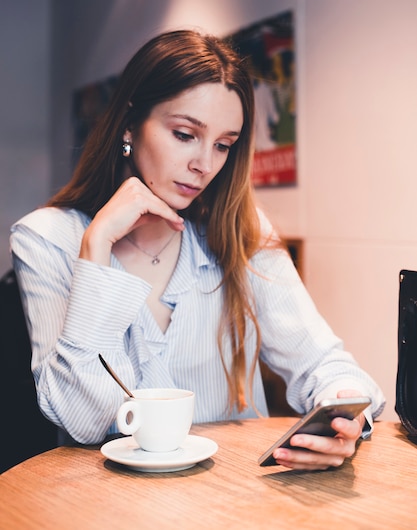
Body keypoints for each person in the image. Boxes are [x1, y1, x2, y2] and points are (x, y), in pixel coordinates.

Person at [10, 29, 385, 471]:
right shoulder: (46, 238)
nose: (204, 165)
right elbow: (84, 421)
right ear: (130, 124)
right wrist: (96, 248)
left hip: (234, 497)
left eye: (224, 145)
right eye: (186, 134)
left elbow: (324, 363)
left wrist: (342, 416)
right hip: (108, 507)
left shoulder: (238, 230)